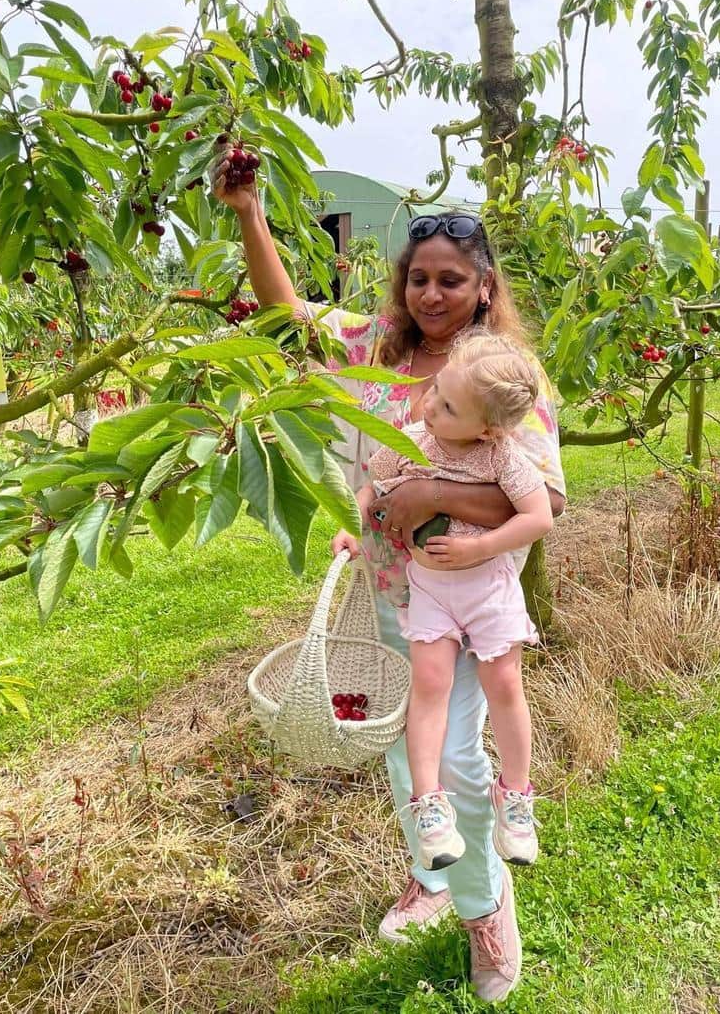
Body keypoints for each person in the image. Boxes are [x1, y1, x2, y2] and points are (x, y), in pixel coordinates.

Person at [212, 154, 566, 1004]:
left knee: (458, 760)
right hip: (392, 594)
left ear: (484, 287)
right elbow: (288, 319)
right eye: (417, 278)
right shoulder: (377, 349)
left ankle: (486, 907)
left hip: (472, 597)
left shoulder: (508, 376)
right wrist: (250, 211)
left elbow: (545, 493)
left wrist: (435, 493)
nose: (431, 294)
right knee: (408, 753)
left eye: (451, 280)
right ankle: (433, 872)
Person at [332, 330, 553, 876]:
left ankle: (516, 798)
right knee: (428, 686)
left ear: (488, 427)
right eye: (435, 392)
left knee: (504, 684)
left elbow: (539, 516)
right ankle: (428, 805)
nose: (429, 405)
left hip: (488, 590)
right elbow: (371, 486)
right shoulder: (414, 440)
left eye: (448, 405)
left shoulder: (504, 457)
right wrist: (352, 526)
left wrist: (479, 546)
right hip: (431, 590)